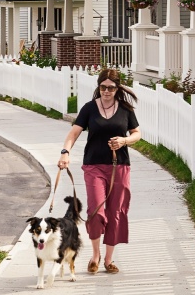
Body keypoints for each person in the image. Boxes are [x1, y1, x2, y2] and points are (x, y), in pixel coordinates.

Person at [58, 68, 140, 275]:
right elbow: (73, 133)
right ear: (98, 87)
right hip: (93, 166)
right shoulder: (89, 109)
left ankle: (109, 259)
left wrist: (124, 141)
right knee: (95, 212)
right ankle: (95, 256)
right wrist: (65, 152)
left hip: (119, 166)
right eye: (103, 87)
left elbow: (137, 133)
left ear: (117, 88)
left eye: (111, 88)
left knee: (116, 213)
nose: (106, 91)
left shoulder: (125, 109)